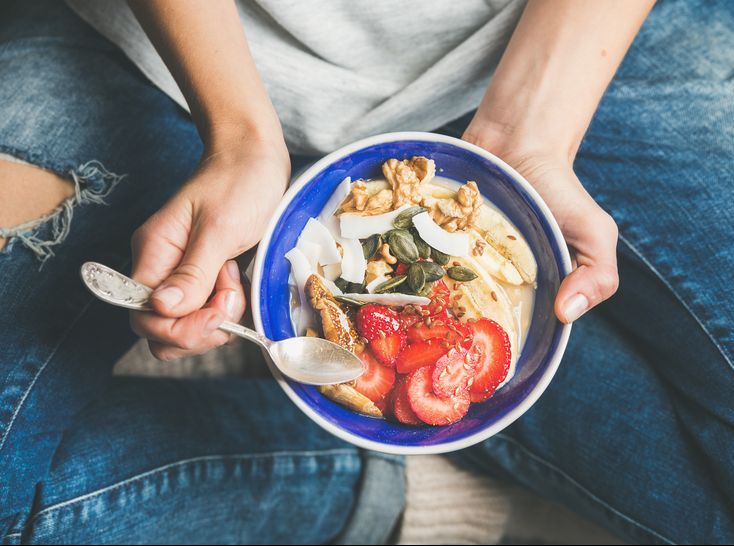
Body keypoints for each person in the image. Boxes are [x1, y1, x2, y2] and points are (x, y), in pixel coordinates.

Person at [0, 0, 731, 543]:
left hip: (565, 46)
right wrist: (239, 136)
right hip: (166, 57)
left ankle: (502, 421)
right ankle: (374, 478)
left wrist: (529, 129)